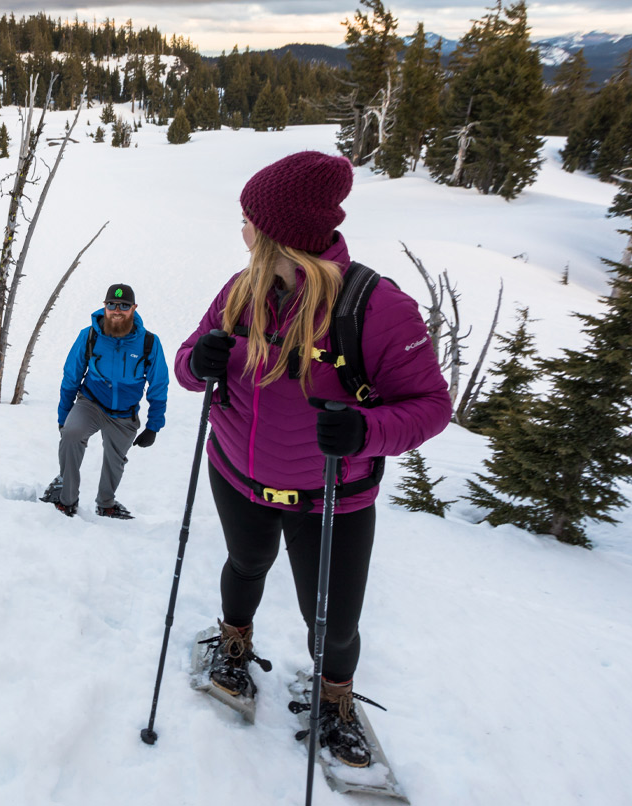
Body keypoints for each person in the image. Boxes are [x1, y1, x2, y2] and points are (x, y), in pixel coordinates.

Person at [174, 151, 450, 767]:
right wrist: (199, 363)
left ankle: (334, 699)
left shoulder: (378, 308)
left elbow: (432, 406)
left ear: (278, 234)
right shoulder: (242, 288)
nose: (241, 227)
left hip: (332, 496)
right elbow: (188, 360)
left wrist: (363, 431)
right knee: (245, 565)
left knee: (332, 619)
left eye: (249, 217)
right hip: (237, 475)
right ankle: (234, 643)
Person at [44, 283, 169, 519]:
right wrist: (63, 417)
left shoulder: (149, 343)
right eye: (112, 304)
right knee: (71, 434)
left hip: (124, 412)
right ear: (105, 306)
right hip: (91, 403)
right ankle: (66, 499)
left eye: (124, 305)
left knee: (115, 460)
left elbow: (159, 386)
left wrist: (153, 426)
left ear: (133, 308)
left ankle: (106, 503)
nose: (117, 310)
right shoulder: (89, 336)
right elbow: (71, 376)